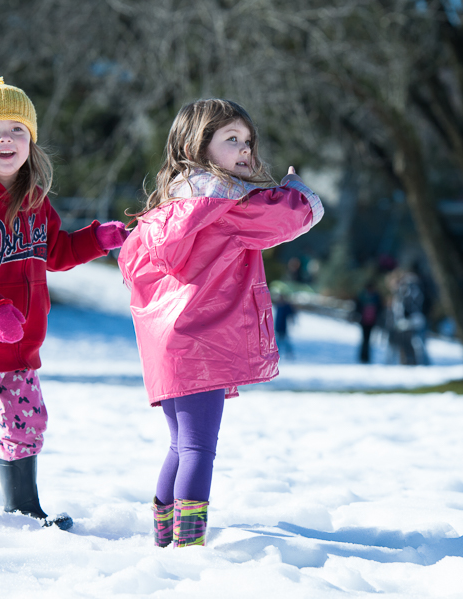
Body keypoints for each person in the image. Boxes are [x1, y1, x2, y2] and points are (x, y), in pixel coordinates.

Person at [0, 77, 128, 531]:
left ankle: (24, 510)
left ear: (30, 142)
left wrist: (97, 239)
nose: (4, 139)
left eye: (16, 129)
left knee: (28, 423)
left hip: (20, 347)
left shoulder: (33, 199)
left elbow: (55, 252)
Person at [118, 99, 323, 547]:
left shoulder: (164, 210)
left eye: (248, 141)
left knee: (179, 444)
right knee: (198, 448)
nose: (245, 150)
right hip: (203, 345)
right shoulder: (226, 208)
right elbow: (284, 218)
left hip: (168, 348)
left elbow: (131, 264)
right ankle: (188, 545)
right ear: (197, 145)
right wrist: (298, 190)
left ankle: (163, 537)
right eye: (231, 140)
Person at [354, 281, 382, 363]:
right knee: (366, 339)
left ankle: (365, 357)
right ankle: (364, 357)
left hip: (369, 321)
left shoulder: (364, 295)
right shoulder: (374, 296)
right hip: (366, 321)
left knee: (366, 339)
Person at [274, 293, 297, 359]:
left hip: (283, 327)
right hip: (278, 326)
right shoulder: (278, 306)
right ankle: (277, 353)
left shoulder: (286, 306)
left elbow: (291, 313)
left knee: (285, 341)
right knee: (278, 341)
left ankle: (289, 353)